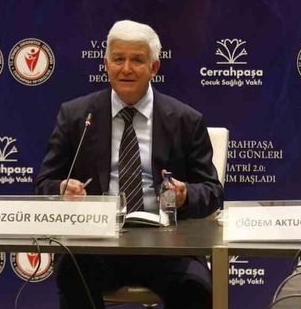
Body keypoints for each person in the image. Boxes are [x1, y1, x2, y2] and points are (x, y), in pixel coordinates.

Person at [35, 20, 223, 309]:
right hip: (97, 244)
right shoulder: (76, 116)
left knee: (195, 287)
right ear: (106, 65)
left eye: (137, 60)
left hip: (167, 247)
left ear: (154, 67)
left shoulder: (186, 120)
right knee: (72, 275)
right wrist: (62, 189)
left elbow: (212, 191)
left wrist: (185, 194)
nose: (126, 69)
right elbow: (44, 184)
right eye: (118, 59)